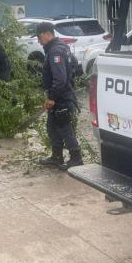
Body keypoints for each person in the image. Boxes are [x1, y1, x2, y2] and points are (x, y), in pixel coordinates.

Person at [35, 22, 83, 169]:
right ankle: (56, 157)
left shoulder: (55, 51)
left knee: (64, 128)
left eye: (39, 36)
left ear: (47, 34)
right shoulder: (62, 47)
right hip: (60, 95)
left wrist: (52, 98)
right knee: (52, 127)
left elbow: (60, 79)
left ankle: (76, 159)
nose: (38, 40)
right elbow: (76, 67)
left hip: (61, 97)